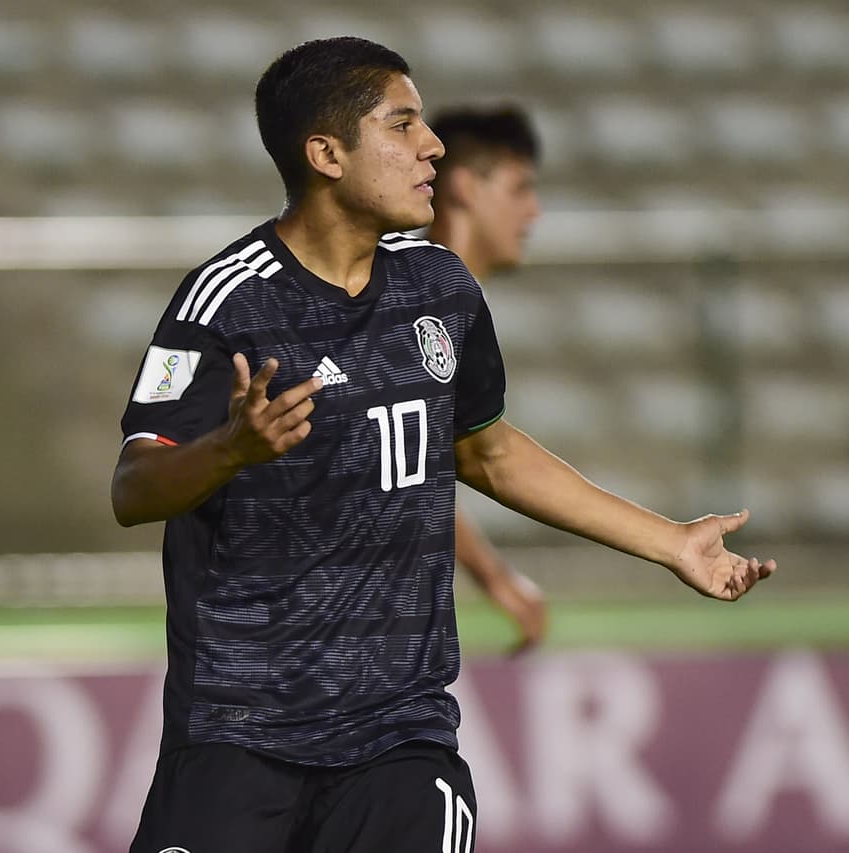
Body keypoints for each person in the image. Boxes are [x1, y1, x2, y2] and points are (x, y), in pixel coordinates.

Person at [111, 37, 775, 853]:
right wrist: (228, 450)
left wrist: (670, 541)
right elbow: (132, 487)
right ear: (326, 153)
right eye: (404, 124)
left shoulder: (439, 286)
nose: (433, 146)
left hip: (400, 736)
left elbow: (485, 450)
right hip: (237, 730)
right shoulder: (225, 300)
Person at [427, 104, 547, 654]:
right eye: (519, 189)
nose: (534, 211)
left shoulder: (452, 300)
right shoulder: (416, 301)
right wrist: (495, 578)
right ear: (465, 187)